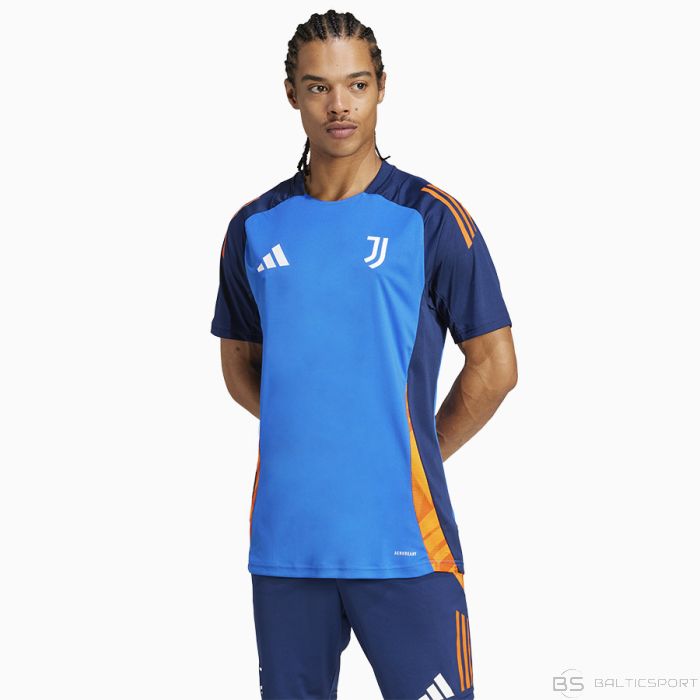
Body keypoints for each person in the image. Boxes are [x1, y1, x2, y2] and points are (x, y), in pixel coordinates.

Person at [210, 10, 517, 699]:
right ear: (292, 94)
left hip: (406, 544)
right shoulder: (254, 227)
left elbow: (496, 368)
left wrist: (410, 449)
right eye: (318, 87)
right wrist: (315, 429)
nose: (339, 105)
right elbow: (239, 366)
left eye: (356, 84)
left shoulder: (430, 218)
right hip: (287, 546)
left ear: (381, 87)